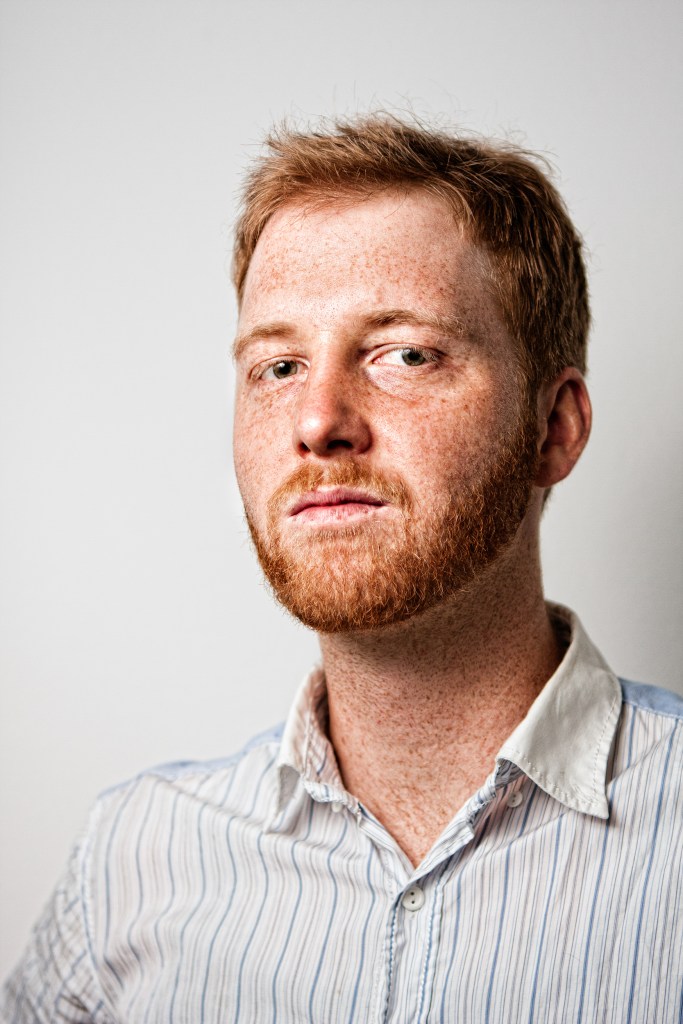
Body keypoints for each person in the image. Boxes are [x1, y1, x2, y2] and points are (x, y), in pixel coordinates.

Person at [3, 114, 681, 1024]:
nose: (317, 420)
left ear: (552, 428)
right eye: (278, 366)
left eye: (405, 354)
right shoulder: (130, 865)